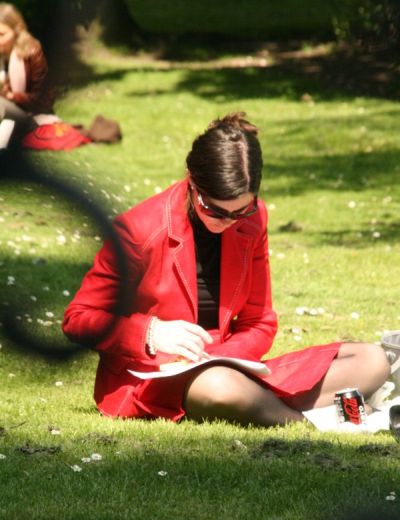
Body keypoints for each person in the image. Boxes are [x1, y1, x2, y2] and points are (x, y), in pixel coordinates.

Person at [62, 112, 390, 426]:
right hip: (153, 377)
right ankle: (307, 422)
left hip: (226, 367)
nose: (228, 222)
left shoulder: (253, 218)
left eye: (240, 211)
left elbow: (259, 322)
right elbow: (78, 319)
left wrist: (222, 357)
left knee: (372, 361)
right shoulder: (138, 230)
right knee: (220, 387)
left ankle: (266, 405)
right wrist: (152, 333)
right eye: (215, 210)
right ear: (192, 180)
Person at [0, 3, 56, 148]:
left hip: (34, 116)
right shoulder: (3, 54)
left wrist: (12, 96)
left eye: (2, 35)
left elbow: (44, 101)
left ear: (17, 31)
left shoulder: (32, 53)